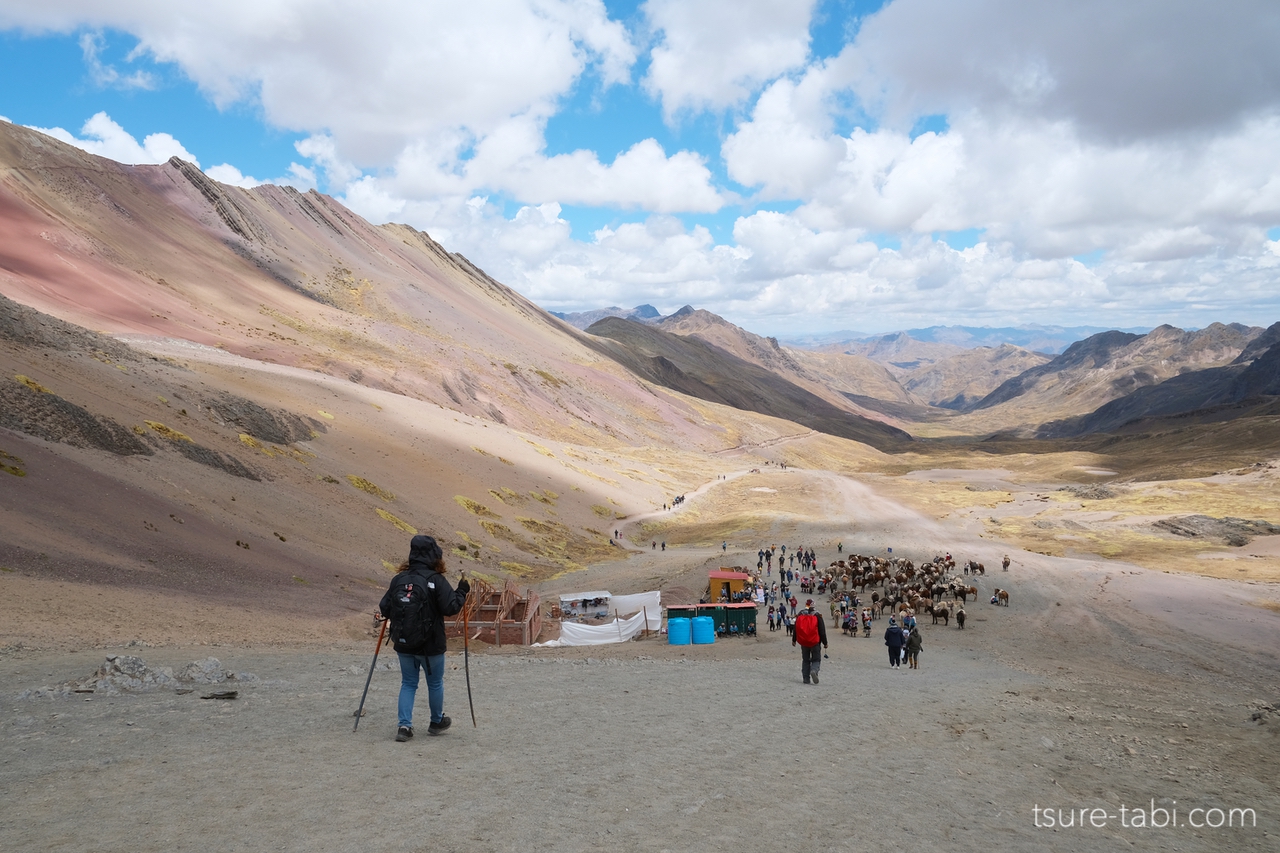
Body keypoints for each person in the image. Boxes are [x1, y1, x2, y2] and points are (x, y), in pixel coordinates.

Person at [379, 534, 470, 742]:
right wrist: (462, 591)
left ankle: (404, 726)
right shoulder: (436, 580)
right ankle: (436, 721)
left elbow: (384, 607)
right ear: (434, 554)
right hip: (431, 645)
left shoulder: (399, 579)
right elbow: (451, 607)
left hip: (403, 643)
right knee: (435, 683)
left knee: (408, 683)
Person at [792, 599, 828, 684]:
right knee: (816, 659)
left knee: (805, 660)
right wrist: (825, 643)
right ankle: (814, 670)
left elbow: (796, 628)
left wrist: (794, 640)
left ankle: (806, 678)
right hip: (815, 642)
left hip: (804, 641)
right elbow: (822, 631)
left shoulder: (800, 613)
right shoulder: (817, 615)